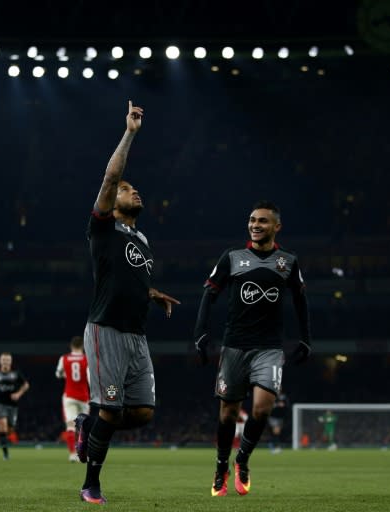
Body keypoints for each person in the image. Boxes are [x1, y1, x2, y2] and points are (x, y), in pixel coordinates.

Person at [74, 101, 180, 505]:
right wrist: (131, 132)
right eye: (125, 189)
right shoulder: (102, 228)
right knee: (111, 411)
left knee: (142, 413)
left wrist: (151, 293)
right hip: (106, 329)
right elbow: (110, 175)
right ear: (112, 200)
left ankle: (88, 424)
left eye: (134, 189)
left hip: (137, 334)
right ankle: (91, 483)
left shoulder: (143, 240)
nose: (132, 190)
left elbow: (128, 276)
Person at [193, 200, 311, 497]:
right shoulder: (232, 257)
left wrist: (306, 337)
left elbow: (300, 300)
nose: (255, 225)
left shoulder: (288, 261)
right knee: (227, 415)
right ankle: (221, 465)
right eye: (252, 220)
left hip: (269, 348)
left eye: (262, 221)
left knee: (262, 407)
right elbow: (209, 293)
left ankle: (242, 460)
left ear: (276, 227)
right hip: (234, 347)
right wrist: (200, 333)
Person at [0, 352, 30, 460]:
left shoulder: (16, 374)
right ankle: (5, 454)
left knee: (10, 428)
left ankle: (4, 439)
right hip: (0, 404)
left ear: (10, 362)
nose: (5, 362)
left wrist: (18, 394)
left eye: (7, 360)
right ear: (0, 361)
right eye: (3, 360)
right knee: (3, 425)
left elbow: (26, 385)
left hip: (13, 406)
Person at [55, 335, 90, 462]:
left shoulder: (64, 358)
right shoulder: (86, 359)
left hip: (69, 396)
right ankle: (83, 453)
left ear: (71, 346)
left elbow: (58, 373)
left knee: (70, 425)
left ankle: (72, 454)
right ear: (82, 346)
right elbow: (89, 378)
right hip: (84, 397)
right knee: (84, 426)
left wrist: (65, 374)